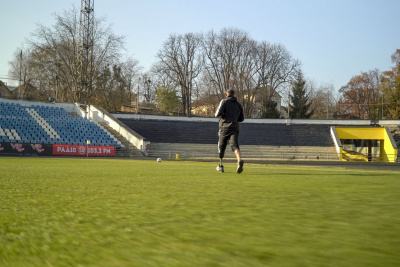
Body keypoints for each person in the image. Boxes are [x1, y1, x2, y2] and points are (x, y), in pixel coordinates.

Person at [215, 89, 244, 173]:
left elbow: (217, 114)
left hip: (224, 127)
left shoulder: (224, 102)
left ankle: (220, 165)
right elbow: (241, 119)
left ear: (226, 94)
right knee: (234, 145)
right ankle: (239, 160)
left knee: (221, 146)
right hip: (234, 128)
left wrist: (224, 115)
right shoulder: (238, 105)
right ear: (234, 95)